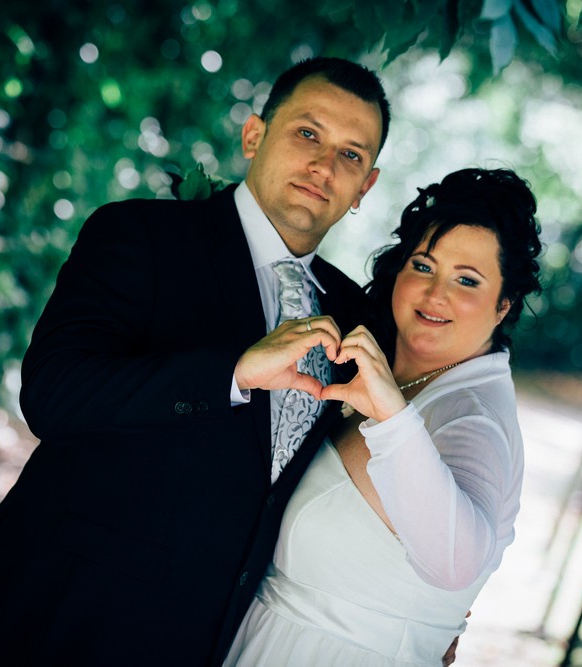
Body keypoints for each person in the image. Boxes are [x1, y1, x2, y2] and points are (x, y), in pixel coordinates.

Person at [0, 57, 390, 665]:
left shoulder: (354, 316)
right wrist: (230, 374)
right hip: (54, 621)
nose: (323, 164)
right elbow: (52, 393)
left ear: (367, 187)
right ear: (254, 136)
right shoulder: (140, 235)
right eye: (307, 132)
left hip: (195, 644)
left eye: (351, 155)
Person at [224, 167, 544, 665]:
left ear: (503, 305)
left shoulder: (474, 416)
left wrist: (393, 418)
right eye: (423, 266)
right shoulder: (370, 357)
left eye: (467, 280)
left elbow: (457, 561)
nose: (436, 294)